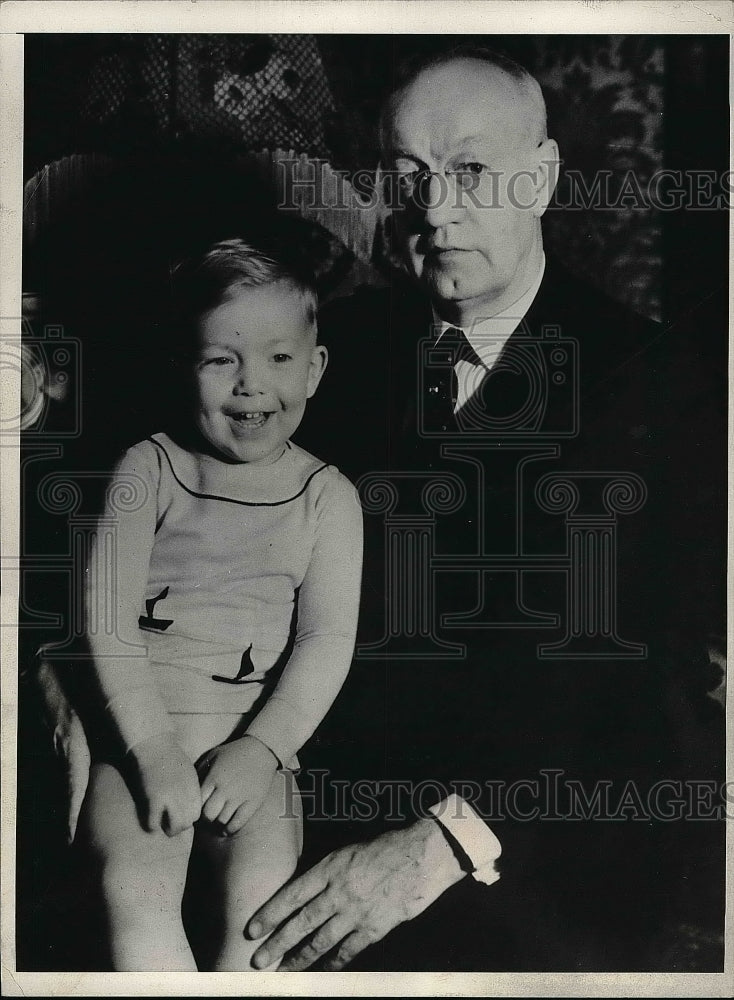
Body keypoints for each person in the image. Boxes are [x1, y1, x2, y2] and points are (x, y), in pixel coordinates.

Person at [38, 47, 725, 972]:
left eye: (471, 172)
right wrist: (75, 678)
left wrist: (440, 846)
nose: (436, 209)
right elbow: (149, 517)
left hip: (508, 862)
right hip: (281, 818)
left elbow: (661, 709)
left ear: (543, 176)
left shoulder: (660, 383)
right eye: (410, 178)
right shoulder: (328, 353)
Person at [66, 239, 363, 971]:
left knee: (265, 907)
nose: (250, 385)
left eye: (278, 359)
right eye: (220, 359)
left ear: (316, 369)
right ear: (182, 365)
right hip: (138, 739)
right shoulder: (147, 468)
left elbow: (326, 641)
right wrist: (150, 749)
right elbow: (104, 620)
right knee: (135, 890)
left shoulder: (329, 497)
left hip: (256, 751)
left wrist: (264, 751)